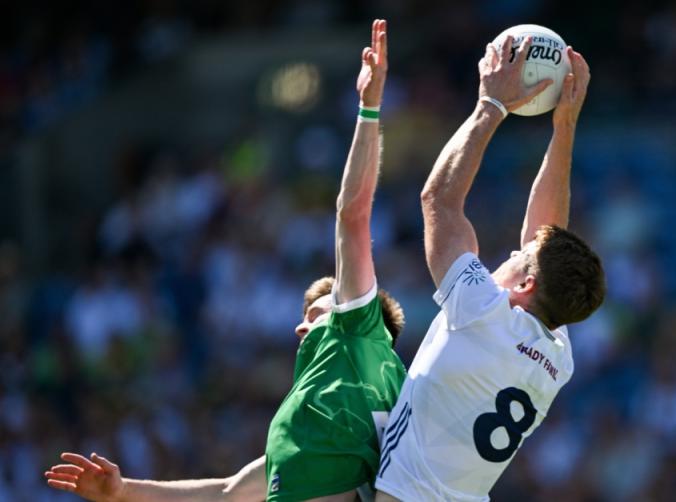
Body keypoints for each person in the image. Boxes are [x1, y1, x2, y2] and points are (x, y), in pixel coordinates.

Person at [45, 19, 406, 502]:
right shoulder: (304, 421)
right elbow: (226, 492)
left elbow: (352, 215)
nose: (300, 327)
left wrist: (369, 108)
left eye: (317, 313)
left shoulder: (359, 335)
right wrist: (124, 490)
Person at [374, 35, 605, 501]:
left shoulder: (482, 312)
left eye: (520, 257)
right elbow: (546, 238)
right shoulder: (557, 354)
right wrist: (563, 127)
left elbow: (439, 200)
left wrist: (491, 105)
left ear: (526, 283)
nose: (513, 252)